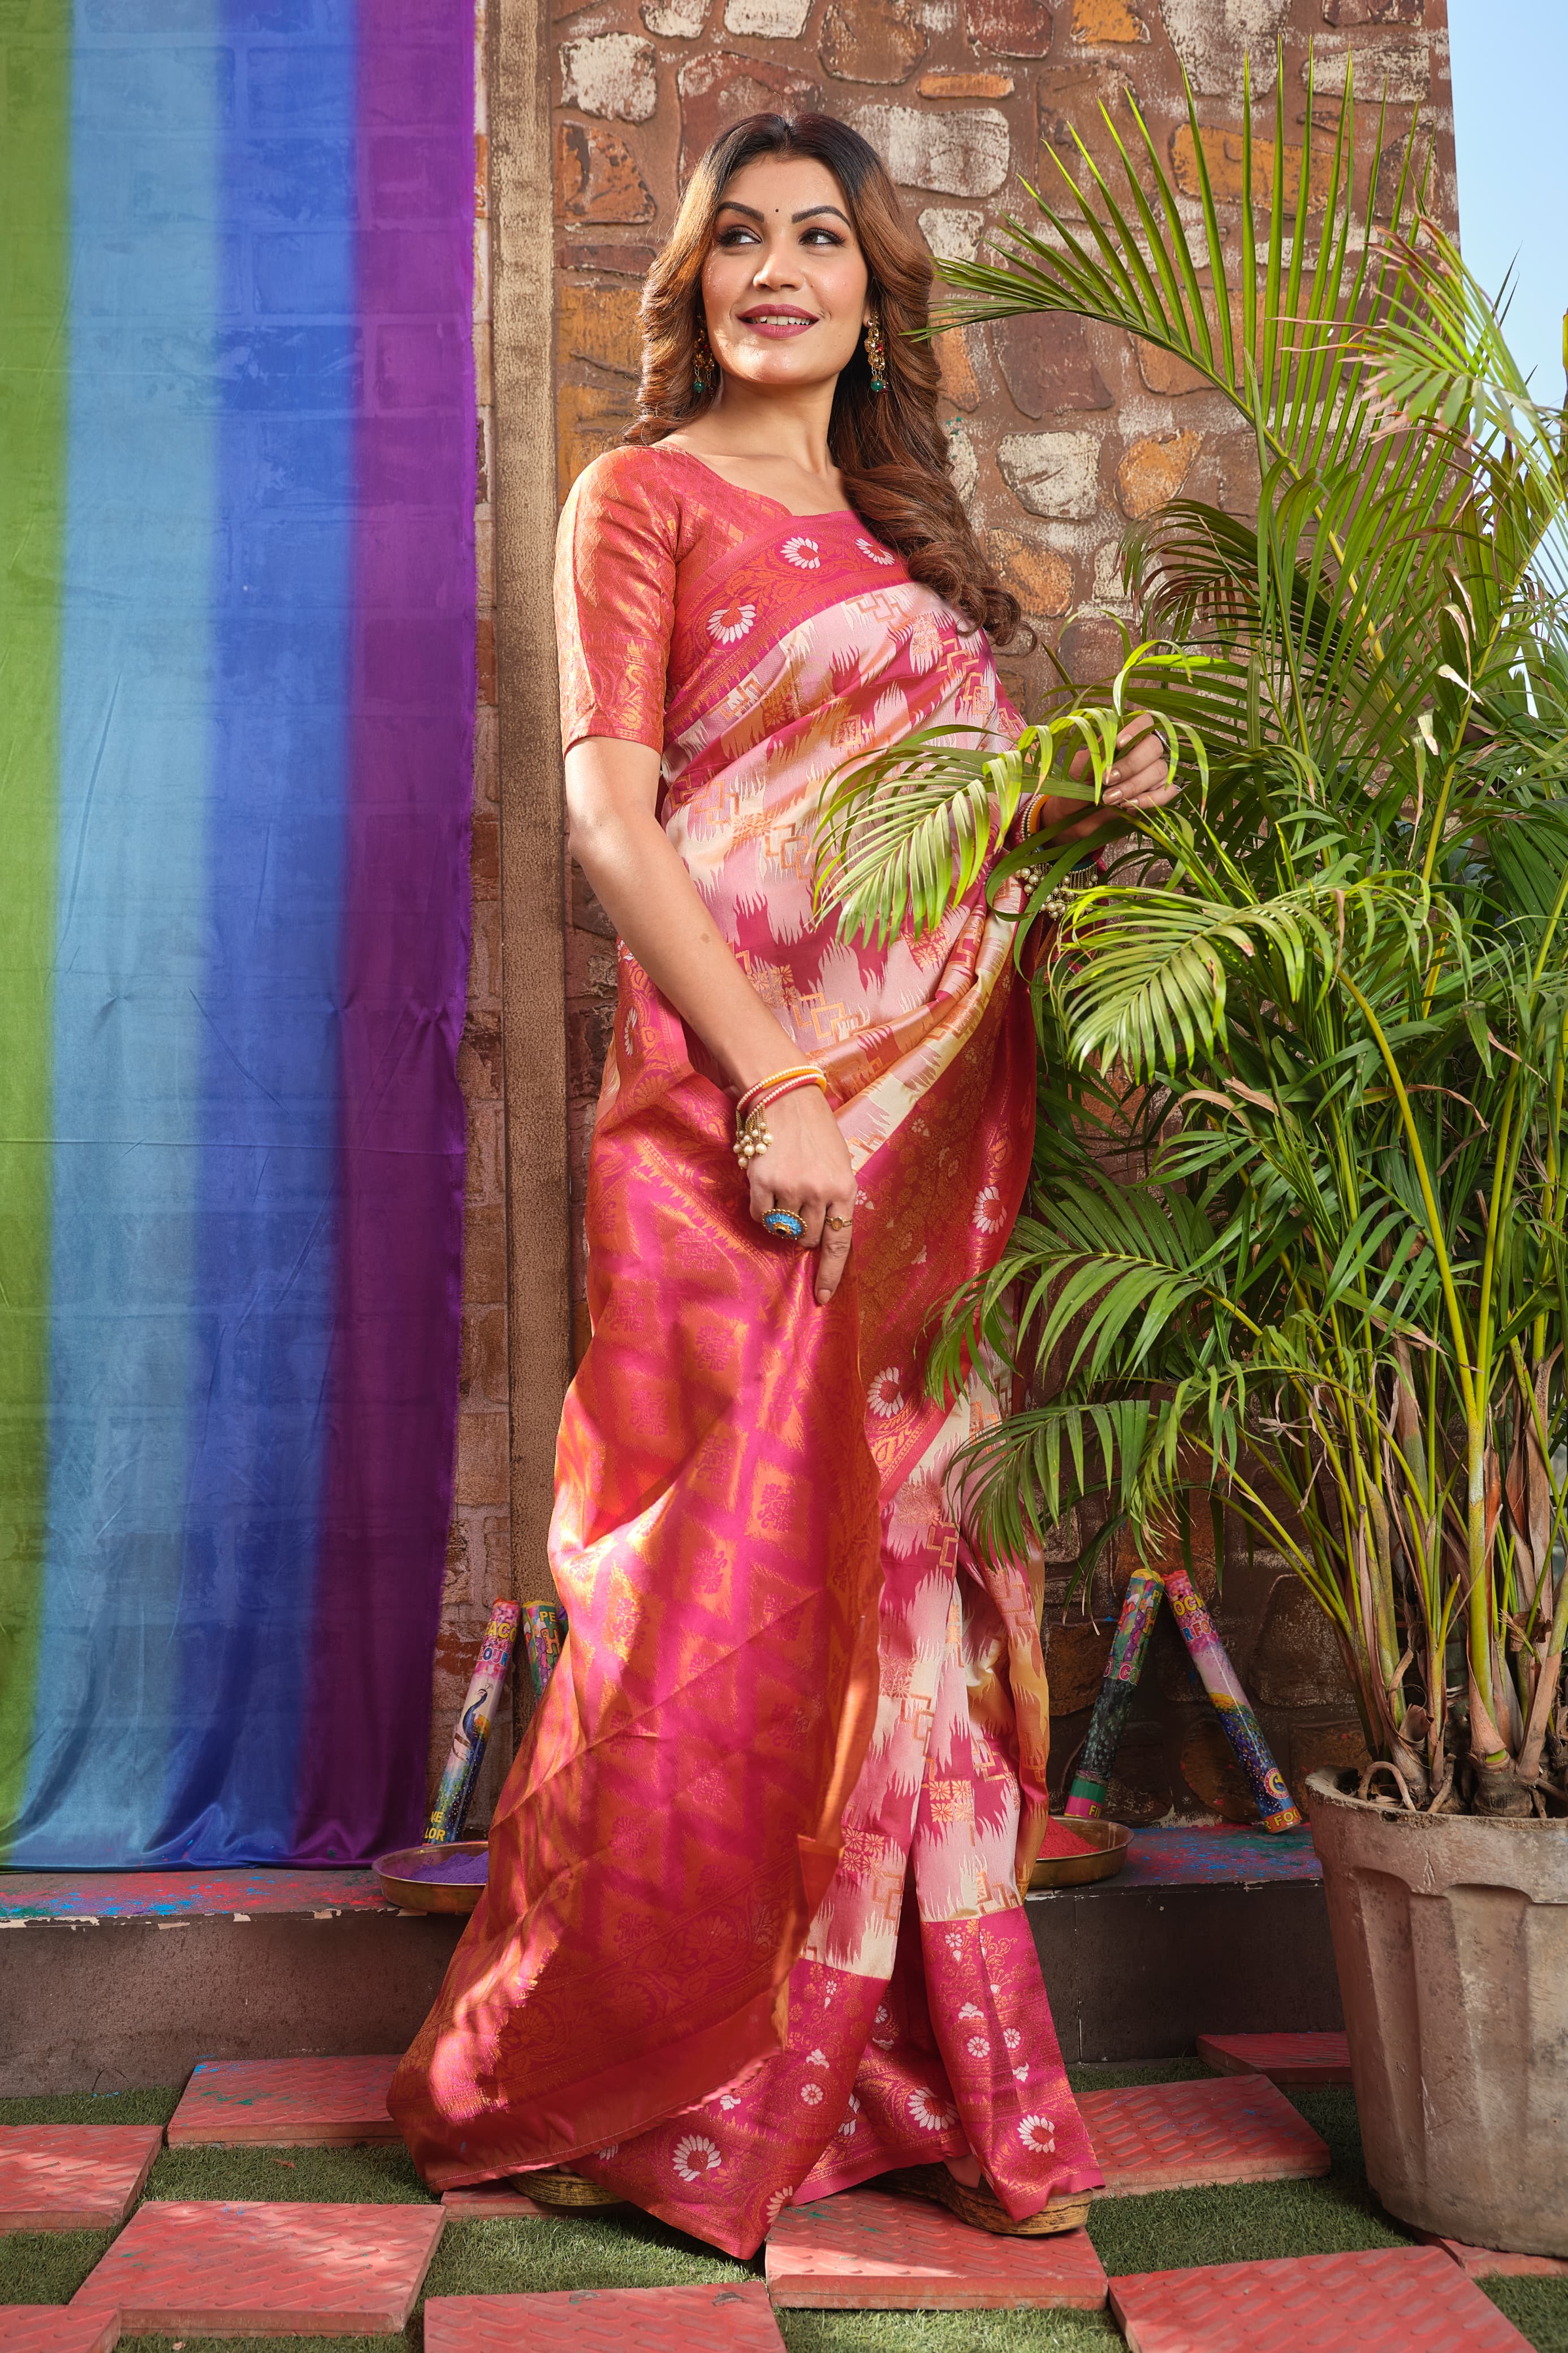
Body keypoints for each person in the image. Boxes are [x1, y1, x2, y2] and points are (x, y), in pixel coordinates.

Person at [390, 110, 1176, 2259]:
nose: (776, 271)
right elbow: (615, 825)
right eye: (738, 236)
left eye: (820, 238)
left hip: (917, 1141)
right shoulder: (638, 498)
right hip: (732, 1130)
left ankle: (909, 2071)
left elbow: (921, 863)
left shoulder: (914, 561)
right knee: (705, 1593)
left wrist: (1070, 806)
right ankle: (627, 2062)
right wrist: (777, 1088)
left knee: (898, 1571)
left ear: (871, 292)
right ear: (697, 282)